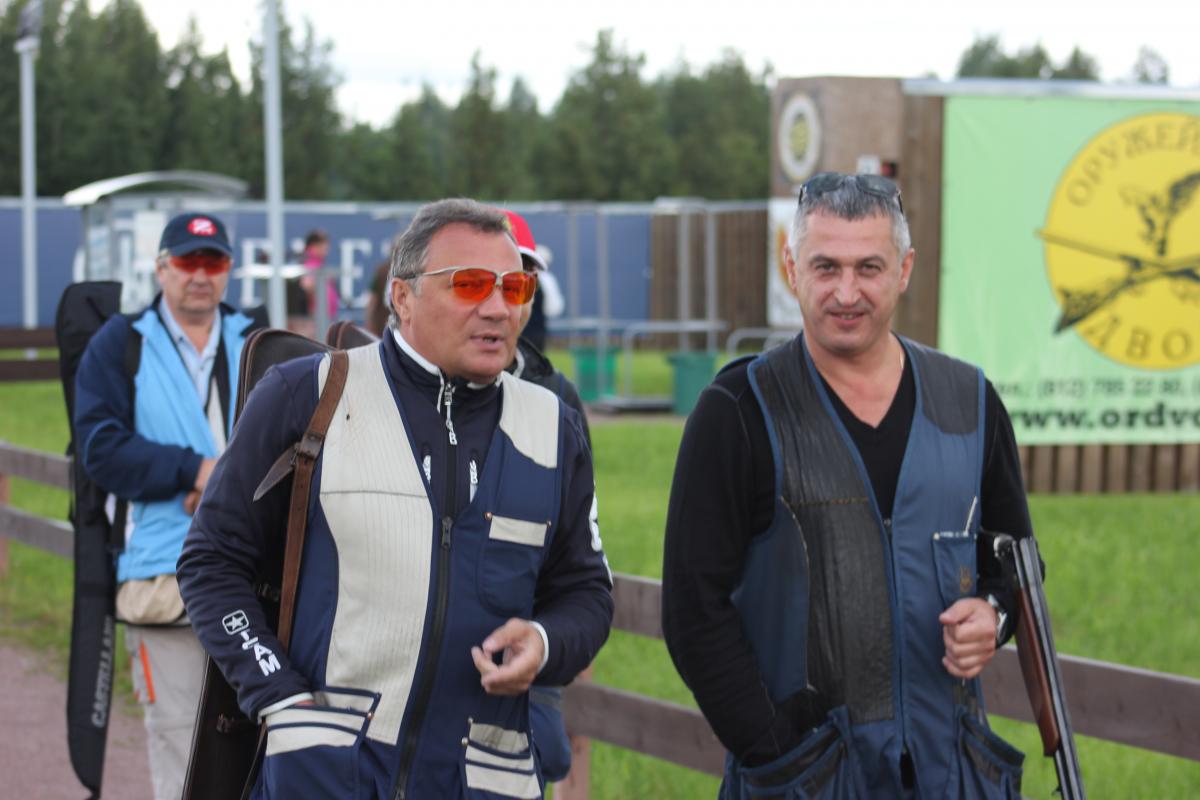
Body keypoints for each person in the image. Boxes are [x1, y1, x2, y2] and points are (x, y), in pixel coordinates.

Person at [177, 198, 613, 799]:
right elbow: (211, 562)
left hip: (483, 782)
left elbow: (586, 594)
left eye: (514, 288)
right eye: (470, 284)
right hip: (323, 779)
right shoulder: (307, 394)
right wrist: (279, 695)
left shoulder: (555, 427)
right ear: (403, 298)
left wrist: (543, 643)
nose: (498, 307)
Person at [661, 173, 1033, 798]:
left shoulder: (969, 401)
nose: (846, 292)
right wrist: (780, 758)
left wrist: (993, 616)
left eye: (869, 268)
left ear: (904, 270)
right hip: (803, 779)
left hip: (952, 773)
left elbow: (1017, 563)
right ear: (791, 267)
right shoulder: (739, 410)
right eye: (826, 266)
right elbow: (692, 611)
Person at [73, 212, 263, 800]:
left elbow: (296, 444)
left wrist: (219, 485)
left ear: (229, 269)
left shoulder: (259, 340)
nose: (200, 274)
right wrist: (194, 470)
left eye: (214, 261)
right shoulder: (120, 344)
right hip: (161, 577)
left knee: (262, 753)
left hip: (256, 579)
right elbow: (100, 448)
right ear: (161, 269)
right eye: (187, 261)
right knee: (181, 753)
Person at [299, 228, 337, 320]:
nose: (327, 248)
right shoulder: (310, 263)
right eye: (323, 244)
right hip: (317, 319)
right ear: (314, 245)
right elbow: (306, 285)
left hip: (323, 317)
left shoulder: (317, 263)